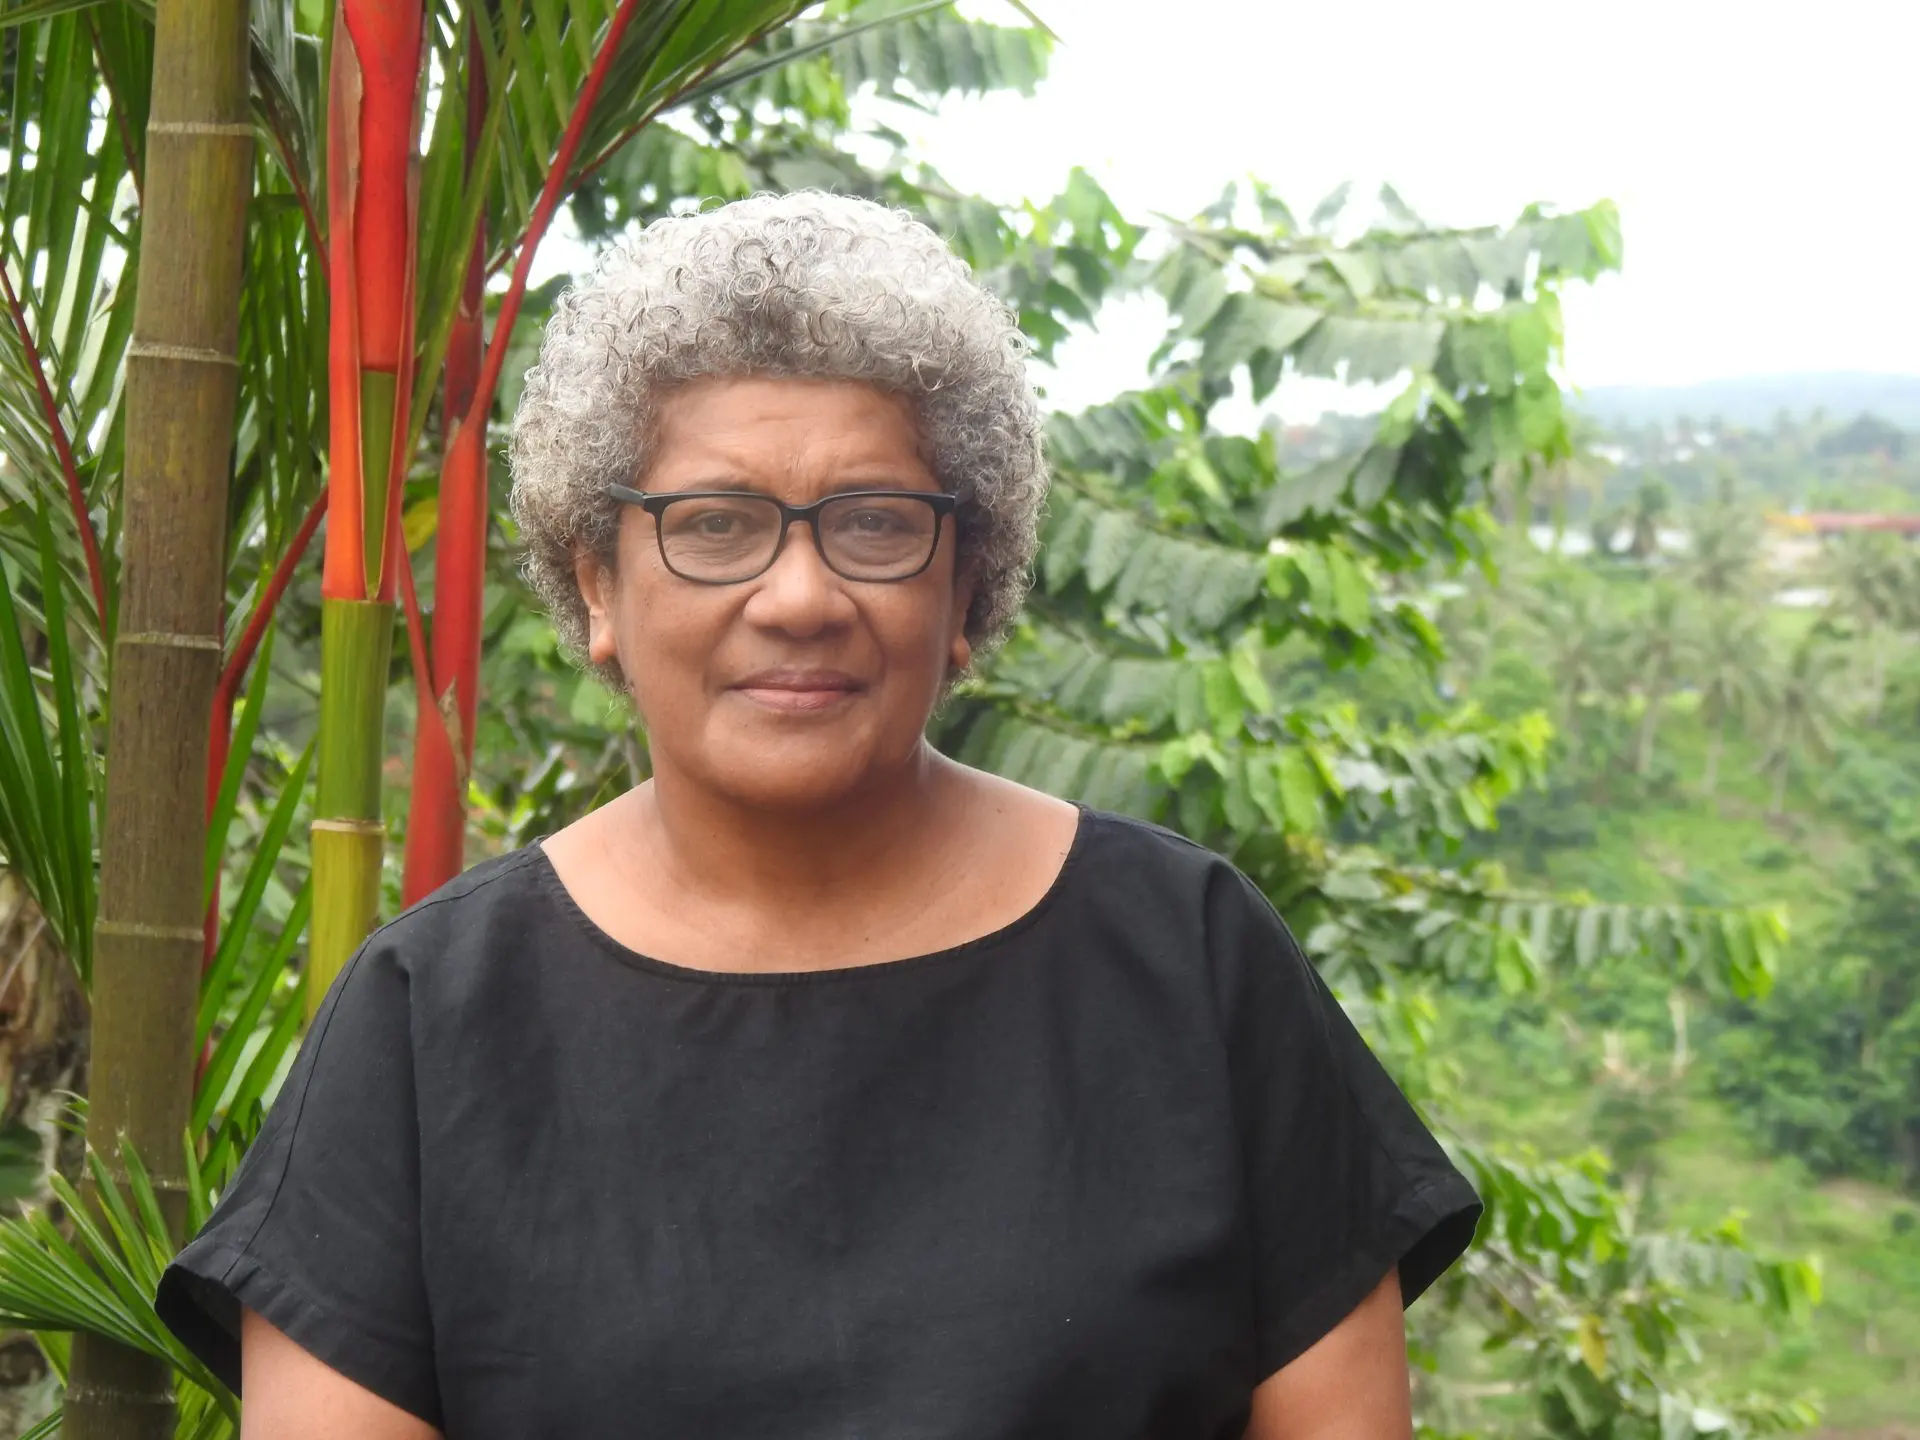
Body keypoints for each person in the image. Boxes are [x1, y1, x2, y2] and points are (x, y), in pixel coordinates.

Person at [157, 191, 1480, 1439]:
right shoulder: (431, 1020)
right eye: (717, 524)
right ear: (597, 587)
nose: (798, 595)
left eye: (874, 523)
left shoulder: (1189, 960)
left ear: (966, 590)